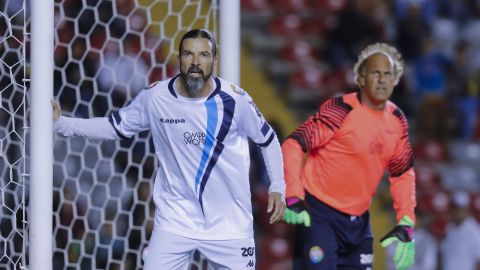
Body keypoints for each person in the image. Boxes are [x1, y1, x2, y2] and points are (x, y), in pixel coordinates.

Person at [51, 29, 286, 269]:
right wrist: (63, 124)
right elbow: (114, 127)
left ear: (214, 61)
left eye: (203, 55)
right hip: (176, 222)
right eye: (188, 54)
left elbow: (268, 140)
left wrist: (277, 185)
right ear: (180, 58)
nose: (195, 62)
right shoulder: (156, 97)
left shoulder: (235, 100)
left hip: (229, 224)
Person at [282, 43, 416, 270]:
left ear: (395, 80)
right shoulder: (340, 110)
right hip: (320, 215)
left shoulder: (397, 120)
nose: (382, 79)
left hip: (359, 223)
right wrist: (293, 196)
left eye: (388, 74)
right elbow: (293, 144)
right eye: (375, 73)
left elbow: (402, 173)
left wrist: (406, 221)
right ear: (361, 79)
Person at [441, 191, 480, 270]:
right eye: (453, 208)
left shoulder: (475, 231)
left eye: (458, 209)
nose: (455, 212)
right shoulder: (449, 229)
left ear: (467, 209)